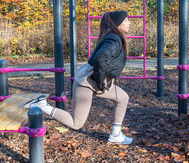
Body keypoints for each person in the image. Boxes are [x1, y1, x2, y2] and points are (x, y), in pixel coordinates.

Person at [29, 10, 132, 144]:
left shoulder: (114, 37)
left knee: (123, 97)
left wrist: (101, 82)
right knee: (76, 123)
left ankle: (116, 135)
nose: (129, 23)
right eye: (125, 21)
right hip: (87, 82)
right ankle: (42, 106)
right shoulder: (114, 39)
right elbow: (100, 59)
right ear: (117, 24)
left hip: (94, 81)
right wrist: (100, 82)